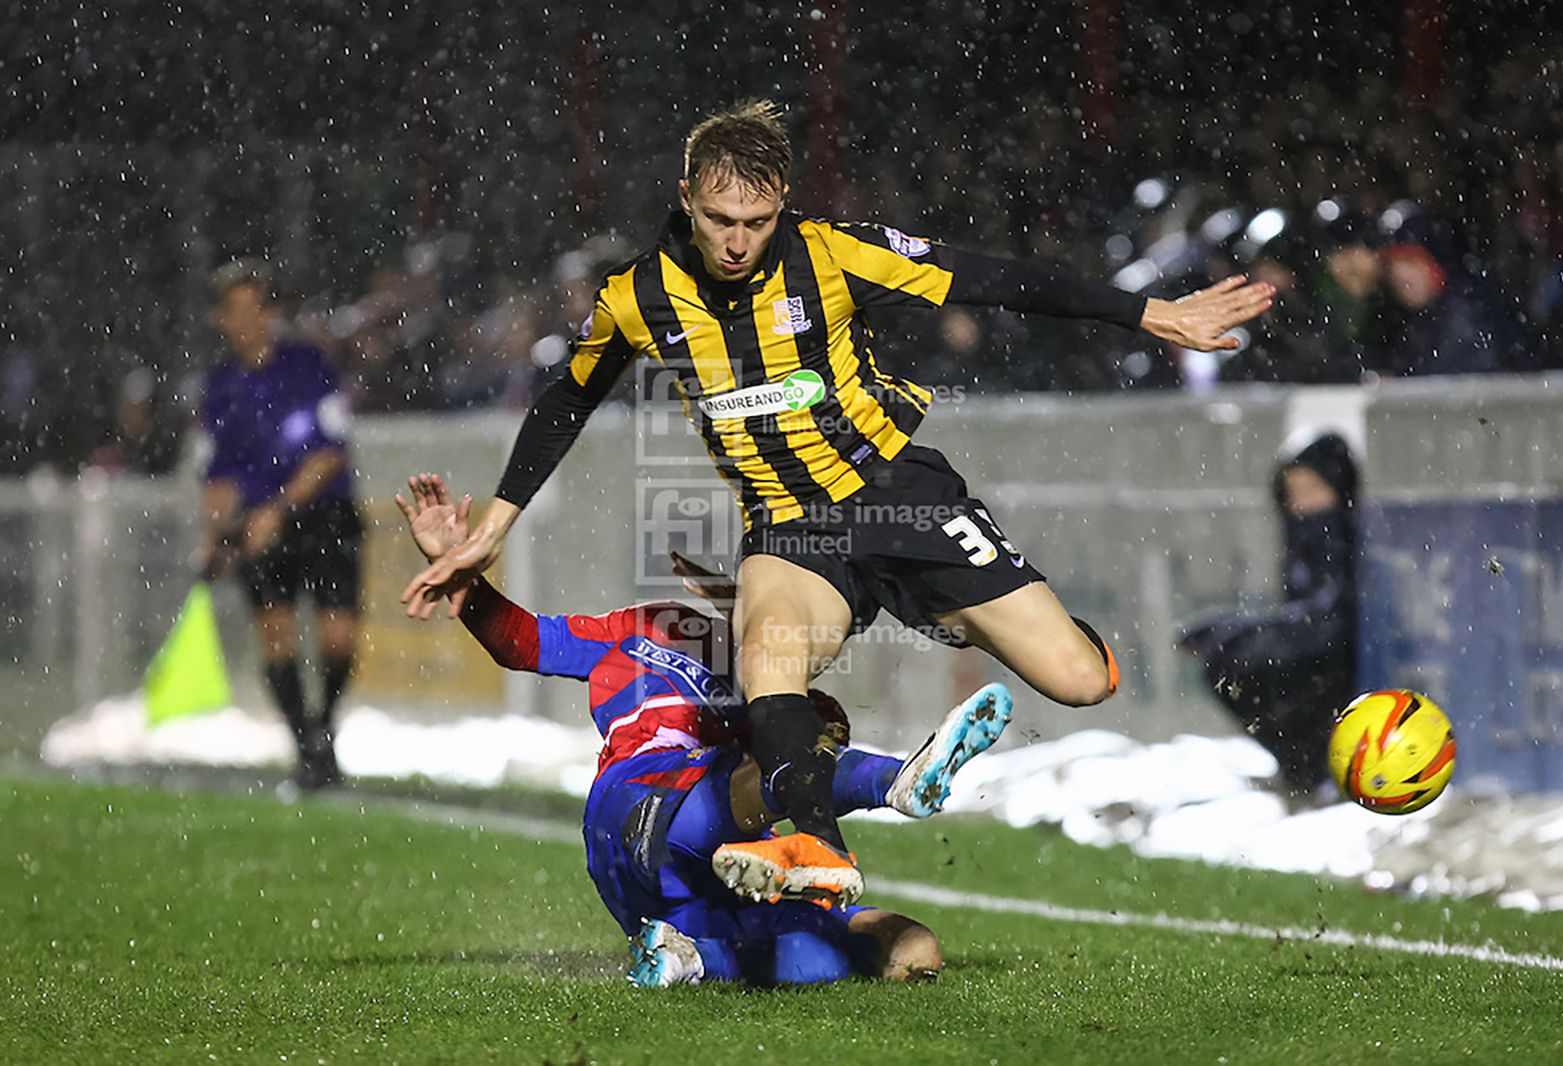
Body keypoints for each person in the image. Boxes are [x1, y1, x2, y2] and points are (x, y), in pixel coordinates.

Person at [402, 99, 1274, 906]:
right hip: (789, 527)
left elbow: (990, 278)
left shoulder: (832, 253)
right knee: (766, 661)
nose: (737, 241)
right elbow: (567, 397)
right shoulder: (639, 296)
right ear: (686, 198)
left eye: (756, 222)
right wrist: (494, 527)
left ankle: (952, 610)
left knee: (1080, 680)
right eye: (720, 220)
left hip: (896, 493)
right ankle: (818, 845)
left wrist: (1149, 314)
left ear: (782, 202)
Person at [396, 472, 1013, 986]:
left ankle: (688, 959)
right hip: (639, 803)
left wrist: (768, 645)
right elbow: (521, 642)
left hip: (707, 881)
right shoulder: (646, 627)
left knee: (911, 949)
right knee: (779, 762)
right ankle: (897, 781)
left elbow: (826, 730)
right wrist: (457, 569)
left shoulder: (772, 676)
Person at [200, 260, 363, 789]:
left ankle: (323, 725)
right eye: (235, 311)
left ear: (271, 313)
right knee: (276, 637)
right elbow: (219, 473)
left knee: (339, 638)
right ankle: (308, 748)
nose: (246, 321)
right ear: (221, 319)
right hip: (258, 526)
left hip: (323, 516)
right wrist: (216, 537)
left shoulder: (309, 367)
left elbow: (330, 453)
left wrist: (278, 509)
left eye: (255, 308)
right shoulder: (220, 386)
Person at [1176, 432, 1359, 803]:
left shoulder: (1341, 535)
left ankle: (1315, 773)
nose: (1301, 505)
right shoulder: (1304, 535)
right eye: (1293, 493)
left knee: (1244, 666)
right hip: (1312, 654)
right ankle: (1305, 773)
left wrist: (1240, 633)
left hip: (1336, 663)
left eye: (1312, 490)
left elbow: (1327, 618)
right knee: (1228, 668)